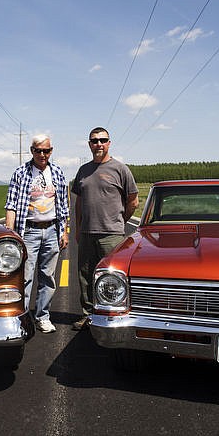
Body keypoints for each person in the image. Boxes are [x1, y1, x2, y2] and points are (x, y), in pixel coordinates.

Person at [71, 127, 138, 330]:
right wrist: (78, 228)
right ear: (89, 144)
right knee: (85, 276)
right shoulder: (83, 170)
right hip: (87, 233)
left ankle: (113, 315)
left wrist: (119, 222)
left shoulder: (120, 169)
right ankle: (88, 315)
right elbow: (79, 202)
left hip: (112, 235)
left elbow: (133, 201)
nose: (98, 144)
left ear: (109, 143)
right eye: (94, 141)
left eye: (103, 140)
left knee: (113, 276)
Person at [5, 134, 69, 333]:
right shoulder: (21, 172)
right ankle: (22, 318)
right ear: (32, 151)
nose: (42, 154)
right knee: (24, 277)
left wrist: (64, 231)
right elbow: (11, 205)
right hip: (29, 231)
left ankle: (43, 316)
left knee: (48, 277)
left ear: (51, 151)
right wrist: (10, 234)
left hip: (51, 230)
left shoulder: (57, 172)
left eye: (47, 150)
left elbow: (64, 206)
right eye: (38, 150)